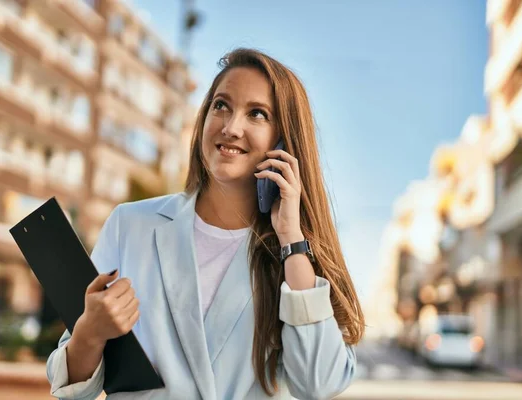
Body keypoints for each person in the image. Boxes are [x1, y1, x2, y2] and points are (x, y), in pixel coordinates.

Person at [46, 48, 365, 400]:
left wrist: (291, 240)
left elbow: (319, 384)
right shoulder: (130, 225)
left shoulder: (296, 258)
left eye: (257, 114)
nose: (230, 127)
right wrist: (90, 333)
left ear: (284, 142)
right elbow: (72, 390)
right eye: (221, 105)